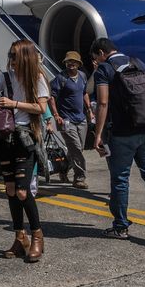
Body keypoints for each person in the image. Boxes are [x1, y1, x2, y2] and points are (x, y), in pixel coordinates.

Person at [90, 38, 145, 245]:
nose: (95, 61)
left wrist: (97, 134)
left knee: (120, 180)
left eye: (95, 57)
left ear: (101, 52)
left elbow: (103, 102)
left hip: (122, 134)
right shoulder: (138, 62)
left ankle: (121, 226)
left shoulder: (104, 70)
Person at [0, 39, 48, 263]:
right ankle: (20, 238)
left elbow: (41, 108)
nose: (10, 60)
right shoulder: (4, 78)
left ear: (25, 57)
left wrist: (13, 104)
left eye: (14, 55)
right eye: (10, 55)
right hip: (5, 140)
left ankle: (37, 236)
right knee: (10, 189)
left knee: (22, 191)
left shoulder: (37, 78)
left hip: (25, 139)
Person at [48, 51, 92, 188]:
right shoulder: (60, 78)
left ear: (79, 64)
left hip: (81, 119)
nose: (71, 64)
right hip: (65, 120)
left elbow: (84, 93)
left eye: (73, 62)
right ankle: (79, 177)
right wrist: (56, 115)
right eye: (68, 62)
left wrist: (89, 109)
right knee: (76, 148)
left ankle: (63, 168)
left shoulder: (83, 76)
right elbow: (52, 97)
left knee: (78, 149)